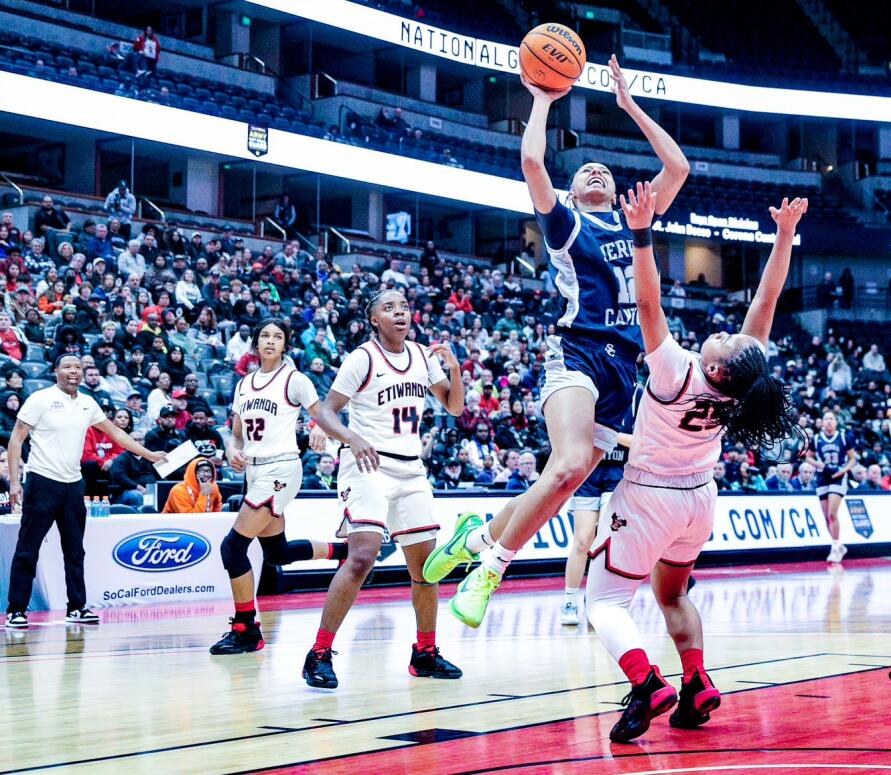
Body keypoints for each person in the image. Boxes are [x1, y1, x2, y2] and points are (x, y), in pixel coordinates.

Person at [423, 56, 690, 628]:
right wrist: (543, 99)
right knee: (569, 465)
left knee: (561, 483)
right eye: (585, 171)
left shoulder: (634, 221)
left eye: (604, 171)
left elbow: (678, 166)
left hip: (627, 372)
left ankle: (480, 533)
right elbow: (530, 161)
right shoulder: (568, 223)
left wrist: (628, 106)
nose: (595, 172)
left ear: (617, 188)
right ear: (572, 189)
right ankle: (491, 568)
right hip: (577, 351)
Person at [582, 184, 801, 742]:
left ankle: (646, 681)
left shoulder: (676, 370)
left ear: (721, 368)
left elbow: (648, 303)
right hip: (700, 499)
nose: (724, 330)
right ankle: (697, 681)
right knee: (673, 594)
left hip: (651, 493)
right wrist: (783, 238)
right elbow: (766, 302)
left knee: (603, 601)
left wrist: (641, 234)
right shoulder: (743, 386)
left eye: (725, 338)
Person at [301, 291, 465, 688]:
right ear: (374, 319)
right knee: (362, 558)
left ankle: (425, 653)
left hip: (411, 470)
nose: (399, 312)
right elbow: (326, 410)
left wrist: (456, 371)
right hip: (367, 464)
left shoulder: (425, 358)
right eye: (388, 308)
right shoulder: (362, 358)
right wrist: (351, 438)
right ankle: (318, 653)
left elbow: (455, 408)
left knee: (426, 569)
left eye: (404, 307)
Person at [208, 319, 348, 654]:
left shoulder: (294, 379)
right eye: (265, 336)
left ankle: (246, 629)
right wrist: (231, 449)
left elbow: (324, 411)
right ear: (255, 344)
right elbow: (237, 431)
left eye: (278, 337)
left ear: (285, 344)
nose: (271, 341)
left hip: (281, 468)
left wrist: (317, 427)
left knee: (232, 548)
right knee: (276, 554)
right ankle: (346, 552)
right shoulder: (244, 385)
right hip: (254, 471)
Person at [5, 355, 165, 629]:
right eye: (67, 367)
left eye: (78, 368)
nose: (73, 372)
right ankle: (16, 610)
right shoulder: (39, 399)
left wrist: (148, 454)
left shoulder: (88, 403)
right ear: (56, 371)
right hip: (42, 482)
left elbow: (116, 433)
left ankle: (77, 607)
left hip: (73, 485)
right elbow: (16, 439)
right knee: (28, 549)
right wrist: (15, 482)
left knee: (75, 551)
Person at [561, 408, 634, 627]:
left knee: (604, 537)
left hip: (617, 474)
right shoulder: (590, 390)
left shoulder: (637, 394)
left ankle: (595, 599)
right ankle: (569, 601)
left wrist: (609, 434)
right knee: (582, 541)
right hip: (588, 472)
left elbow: (640, 441)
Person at [807, 412, 857, 563]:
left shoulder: (843, 437)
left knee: (832, 514)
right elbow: (808, 456)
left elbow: (853, 458)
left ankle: (834, 548)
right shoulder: (816, 439)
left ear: (836, 422)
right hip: (823, 477)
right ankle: (839, 546)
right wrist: (818, 464)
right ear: (822, 422)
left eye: (831, 419)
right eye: (826, 419)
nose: (828, 421)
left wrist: (844, 470)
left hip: (838, 476)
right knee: (826, 517)